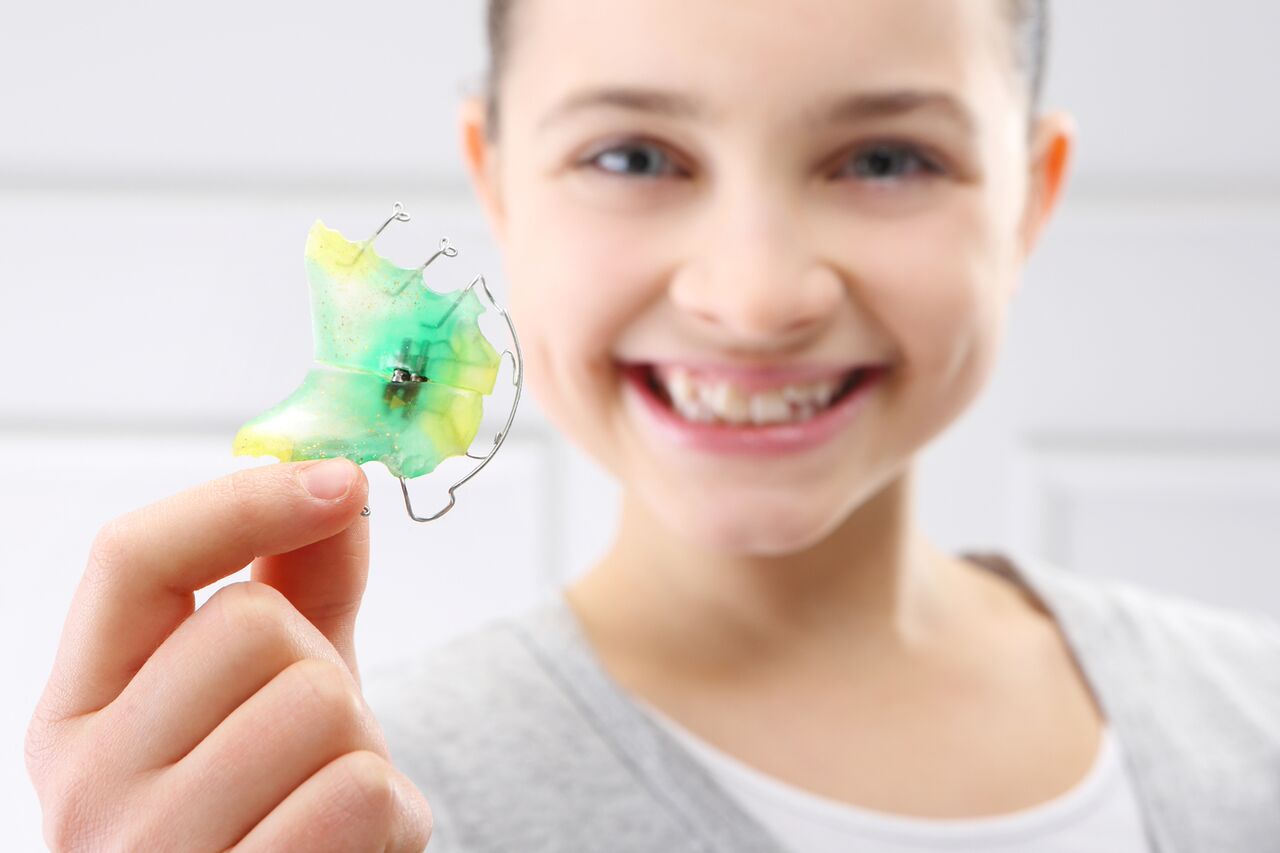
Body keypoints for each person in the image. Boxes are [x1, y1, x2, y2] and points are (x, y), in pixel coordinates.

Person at [25, 1, 1280, 851]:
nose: (755, 295)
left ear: (1028, 202)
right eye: (632, 156)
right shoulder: (339, 809)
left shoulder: (1252, 716)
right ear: (496, 181)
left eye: (885, 159)